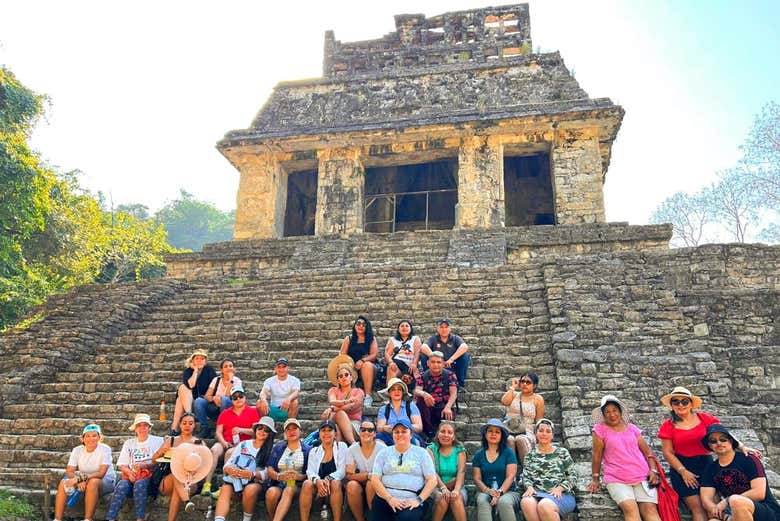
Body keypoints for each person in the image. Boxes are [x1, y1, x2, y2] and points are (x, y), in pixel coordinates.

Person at [658, 386, 758, 521]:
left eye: (684, 401)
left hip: (706, 465)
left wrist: (741, 446)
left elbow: (724, 435)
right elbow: (667, 452)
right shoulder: (667, 425)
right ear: (671, 405)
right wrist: (683, 471)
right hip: (682, 467)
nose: (680, 405)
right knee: (698, 508)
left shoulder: (705, 418)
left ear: (691, 403)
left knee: (713, 506)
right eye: (676, 402)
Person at [586, 395, 661, 521]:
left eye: (614, 410)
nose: (612, 414)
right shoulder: (599, 430)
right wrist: (595, 478)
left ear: (620, 411)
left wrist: (653, 470)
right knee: (631, 510)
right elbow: (597, 456)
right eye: (607, 412)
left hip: (642, 477)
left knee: (650, 511)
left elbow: (648, 452)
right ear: (603, 415)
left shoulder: (632, 429)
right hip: (617, 478)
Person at [699, 424, 780, 521]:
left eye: (723, 439)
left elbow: (759, 493)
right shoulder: (711, 468)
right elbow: (706, 499)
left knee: (736, 500)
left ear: (731, 441)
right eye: (713, 441)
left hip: (764, 511)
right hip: (732, 512)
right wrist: (720, 513)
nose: (719, 443)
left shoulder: (748, 459)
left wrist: (727, 501)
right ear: (710, 445)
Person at [370, 418, 438, 521]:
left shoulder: (422, 453)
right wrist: (390, 499)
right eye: (396, 432)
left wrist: (418, 500)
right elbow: (375, 479)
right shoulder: (383, 453)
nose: (400, 434)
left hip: (410, 500)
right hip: (385, 498)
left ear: (411, 435)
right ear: (392, 435)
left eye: (404, 431)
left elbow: (432, 480)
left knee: (407, 517)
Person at [212, 416, 276, 521]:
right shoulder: (244, 444)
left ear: (270, 434)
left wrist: (252, 474)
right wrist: (229, 469)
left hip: (256, 483)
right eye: (260, 428)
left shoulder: (271, 450)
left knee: (250, 489)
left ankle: (246, 519)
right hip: (237, 480)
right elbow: (229, 462)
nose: (262, 431)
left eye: (267, 430)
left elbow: (268, 473)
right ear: (256, 429)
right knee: (225, 488)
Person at [201, 384, 260, 496]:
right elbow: (218, 431)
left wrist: (241, 430)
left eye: (240, 396)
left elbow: (256, 432)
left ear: (245, 397)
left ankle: (224, 487)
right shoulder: (225, 412)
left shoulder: (252, 411)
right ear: (231, 400)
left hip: (243, 445)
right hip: (226, 441)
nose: (238, 399)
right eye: (234, 397)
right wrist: (223, 442)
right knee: (214, 450)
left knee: (230, 453)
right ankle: (206, 485)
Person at [106, 414, 165, 521]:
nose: (142, 428)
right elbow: (123, 465)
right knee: (121, 485)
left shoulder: (158, 441)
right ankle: (110, 518)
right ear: (135, 429)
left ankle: (140, 518)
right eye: (139, 425)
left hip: (150, 478)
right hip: (132, 476)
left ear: (149, 428)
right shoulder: (129, 443)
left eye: (145, 425)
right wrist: (129, 473)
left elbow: (161, 462)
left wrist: (145, 465)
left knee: (140, 483)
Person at [53, 423, 115, 521]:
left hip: (104, 481)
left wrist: (79, 479)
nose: (91, 439)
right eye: (88, 436)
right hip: (83, 478)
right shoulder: (77, 450)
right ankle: (57, 519)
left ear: (99, 437)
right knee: (63, 483)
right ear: (82, 439)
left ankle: (87, 519)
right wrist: (78, 480)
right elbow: (69, 472)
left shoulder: (105, 449)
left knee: (92, 482)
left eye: (94, 435)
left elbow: (101, 473)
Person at [520, 418, 577, 521]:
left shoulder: (562, 452)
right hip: (538, 493)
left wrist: (560, 488)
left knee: (544, 505)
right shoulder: (530, 455)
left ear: (552, 435)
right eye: (541, 430)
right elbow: (526, 476)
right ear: (535, 433)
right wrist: (529, 487)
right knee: (526, 502)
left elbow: (573, 475)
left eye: (548, 431)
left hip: (561, 495)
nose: (544, 434)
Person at [152, 412, 201, 519]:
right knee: (177, 475)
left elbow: (205, 464)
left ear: (194, 425)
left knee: (178, 488)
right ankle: (186, 501)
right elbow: (153, 460)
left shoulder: (198, 443)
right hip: (168, 480)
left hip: (190, 481)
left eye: (190, 423)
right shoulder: (171, 441)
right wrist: (161, 452)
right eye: (184, 423)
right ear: (180, 425)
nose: (187, 426)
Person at [472, 418, 522, 521]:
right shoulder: (478, 455)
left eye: (497, 432)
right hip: (486, 491)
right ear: (485, 434)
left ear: (501, 436)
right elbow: (477, 479)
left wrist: (499, 492)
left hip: (509, 492)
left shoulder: (508, 453)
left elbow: (510, 476)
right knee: (482, 499)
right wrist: (488, 491)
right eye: (490, 431)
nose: (493, 434)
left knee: (503, 501)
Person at [300, 420, 348, 521]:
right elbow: (310, 471)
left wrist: (327, 479)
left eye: (330, 430)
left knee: (335, 483)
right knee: (306, 484)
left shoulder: (342, 446)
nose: (326, 433)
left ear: (335, 434)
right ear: (319, 434)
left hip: (337, 486)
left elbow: (342, 470)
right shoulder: (314, 451)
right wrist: (317, 481)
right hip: (319, 487)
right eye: (323, 430)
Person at [265, 418, 312, 521]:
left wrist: (299, 476)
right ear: (285, 433)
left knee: (289, 489)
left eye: (294, 428)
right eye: (288, 429)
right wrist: (278, 476)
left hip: (298, 485)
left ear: (300, 431)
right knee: (271, 493)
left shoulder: (308, 450)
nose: (292, 432)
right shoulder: (278, 447)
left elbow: (311, 472)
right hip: (279, 483)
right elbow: (270, 468)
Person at [345, 420, 386, 521]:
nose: (366, 432)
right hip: (359, 483)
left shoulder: (383, 449)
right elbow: (349, 476)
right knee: (351, 486)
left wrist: (369, 477)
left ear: (375, 433)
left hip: (378, 484)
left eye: (370, 430)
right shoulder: (351, 450)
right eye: (363, 429)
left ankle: (374, 518)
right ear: (359, 432)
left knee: (371, 483)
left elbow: (386, 474)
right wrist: (368, 475)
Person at [427, 421, 467, 521]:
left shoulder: (459, 450)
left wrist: (456, 490)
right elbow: (432, 472)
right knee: (442, 498)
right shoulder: (431, 449)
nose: (446, 435)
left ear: (453, 437)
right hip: (435, 486)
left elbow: (461, 472)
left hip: (456, 486)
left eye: (449, 432)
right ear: (438, 434)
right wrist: (443, 488)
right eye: (442, 431)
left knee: (456, 498)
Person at [502, 370, 545, 464]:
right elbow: (505, 402)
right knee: (509, 439)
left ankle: (527, 471)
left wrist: (540, 437)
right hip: (510, 427)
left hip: (527, 429)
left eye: (528, 382)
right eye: (522, 381)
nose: (524, 384)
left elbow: (539, 420)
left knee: (521, 439)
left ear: (534, 385)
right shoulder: (514, 394)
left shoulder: (538, 399)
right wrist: (513, 387)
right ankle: (512, 471)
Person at [413, 350, 457, 440]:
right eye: (433, 362)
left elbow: (453, 394)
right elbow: (417, 391)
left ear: (443, 364)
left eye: (438, 362)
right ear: (428, 363)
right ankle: (429, 435)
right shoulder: (423, 376)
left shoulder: (450, 375)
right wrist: (425, 394)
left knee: (448, 414)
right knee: (420, 400)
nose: (435, 364)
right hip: (429, 406)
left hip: (444, 407)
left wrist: (448, 407)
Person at [171, 349, 217, 435]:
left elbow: (214, 387)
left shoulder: (209, 370)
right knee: (182, 388)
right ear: (192, 361)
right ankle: (189, 415)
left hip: (202, 404)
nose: (200, 360)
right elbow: (191, 385)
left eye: (202, 359)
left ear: (205, 361)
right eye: (197, 358)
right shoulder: (188, 371)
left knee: (179, 400)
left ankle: (175, 429)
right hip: (189, 404)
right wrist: (195, 371)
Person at [193, 359, 242, 438]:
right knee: (198, 401)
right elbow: (207, 396)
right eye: (225, 366)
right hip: (214, 408)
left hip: (228, 408)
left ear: (234, 369)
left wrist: (230, 380)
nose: (228, 368)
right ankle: (205, 428)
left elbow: (229, 396)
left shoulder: (237, 381)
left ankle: (223, 428)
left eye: (230, 366)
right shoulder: (216, 380)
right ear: (222, 370)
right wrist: (214, 398)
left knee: (225, 400)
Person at [340, 315, 379, 406]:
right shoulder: (349, 338)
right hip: (352, 367)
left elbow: (374, 354)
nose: (361, 326)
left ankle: (368, 396)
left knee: (367, 365)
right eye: (358, 324)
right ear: (354, 325)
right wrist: (350, 365)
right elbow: (342, 355)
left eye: (363, 325)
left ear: (367, 327)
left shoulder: (371, 339)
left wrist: (362, 360)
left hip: (369, 367)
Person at [420, 319, 471, 388]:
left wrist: (451, 359)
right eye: (441, 327)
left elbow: (464, 347)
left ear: (450, 329)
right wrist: (438, 360)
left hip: (452, 365)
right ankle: (429, 381)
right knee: (424, 356)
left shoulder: (455, 338)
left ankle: (459, 383)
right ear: (437, 329)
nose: (444, 329)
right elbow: (423, 347)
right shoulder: (433, 338)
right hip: (437, 366)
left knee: (465, 356)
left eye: (446, 327)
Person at [376, 377, 425, 446]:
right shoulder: (384, 409)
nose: (396, 392)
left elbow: (419, 427)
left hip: (408, 437)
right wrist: (385, 428)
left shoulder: (411, 406)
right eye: (393, 389)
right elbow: (379, 428)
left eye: (399, 389)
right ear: (389, 393)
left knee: (414, 440)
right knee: (378, 437)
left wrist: (403, 428)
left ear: (403, 392)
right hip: (391, 437)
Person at [324, 362, 364, 444]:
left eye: (346, 375)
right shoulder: (333, 390)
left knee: (339, 415)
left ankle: (351, 444)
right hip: (335, 422)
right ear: (338, 380)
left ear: (351, 377)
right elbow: (332, 401)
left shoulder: (359, 392)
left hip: (353, 424)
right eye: (340, 376)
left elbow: (351, 407)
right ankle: (347, 447)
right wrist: (346, 401)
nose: (344, 377)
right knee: (336, 424)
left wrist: (332, 408)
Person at [256, 357, 301, 421]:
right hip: (272, 409)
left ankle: (290, 423)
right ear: (275, 369)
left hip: (287, 409)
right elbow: (264, 392)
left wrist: (288, 399)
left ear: (288, 368)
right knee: (259, 402)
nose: (281, 369)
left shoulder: (294, 380)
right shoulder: (269, 380)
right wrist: (264, 400)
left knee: (295, 402)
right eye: (279, 367)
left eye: (284, 367)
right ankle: (264, 424)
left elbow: (296, 392)